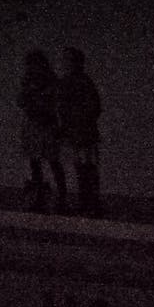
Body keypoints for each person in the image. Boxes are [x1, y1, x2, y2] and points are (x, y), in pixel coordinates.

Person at [56, 46, 103, 217]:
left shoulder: (79, 82)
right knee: (83, 168)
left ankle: (90, 203)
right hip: (78, 132)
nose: (63, 63)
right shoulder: (74, 82)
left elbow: (93, 107)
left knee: (86, 168)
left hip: (82, 132)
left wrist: (76, 119)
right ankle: (88, 202)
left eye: (66, 60)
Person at [16, 49, 64, 212]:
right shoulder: (29, 81)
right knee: (36, 161)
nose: (31, 67)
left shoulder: (50, 81)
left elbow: (54, 102)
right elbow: (21, 101)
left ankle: (59, 198)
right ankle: (39, 197)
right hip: (34, 124)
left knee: (51, 160)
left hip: (46, 124)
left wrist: (37, 99)